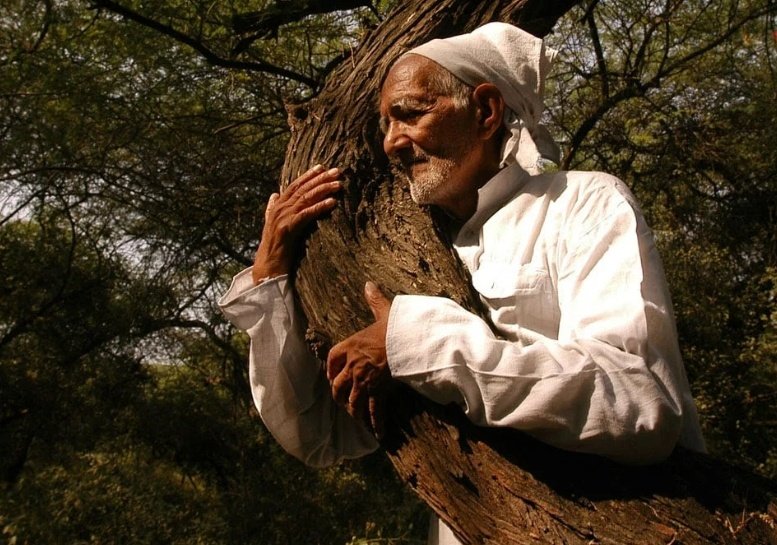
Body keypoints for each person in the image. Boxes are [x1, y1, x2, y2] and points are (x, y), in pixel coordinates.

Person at [219, 22, 705, 545]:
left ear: (487, 111)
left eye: (410, 113)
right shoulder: (406, 251)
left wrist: (419, 342)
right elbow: (320, 434)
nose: (391, 143)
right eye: (384, 124)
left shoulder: (583, 203)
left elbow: (640, 401)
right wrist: (270, 276)